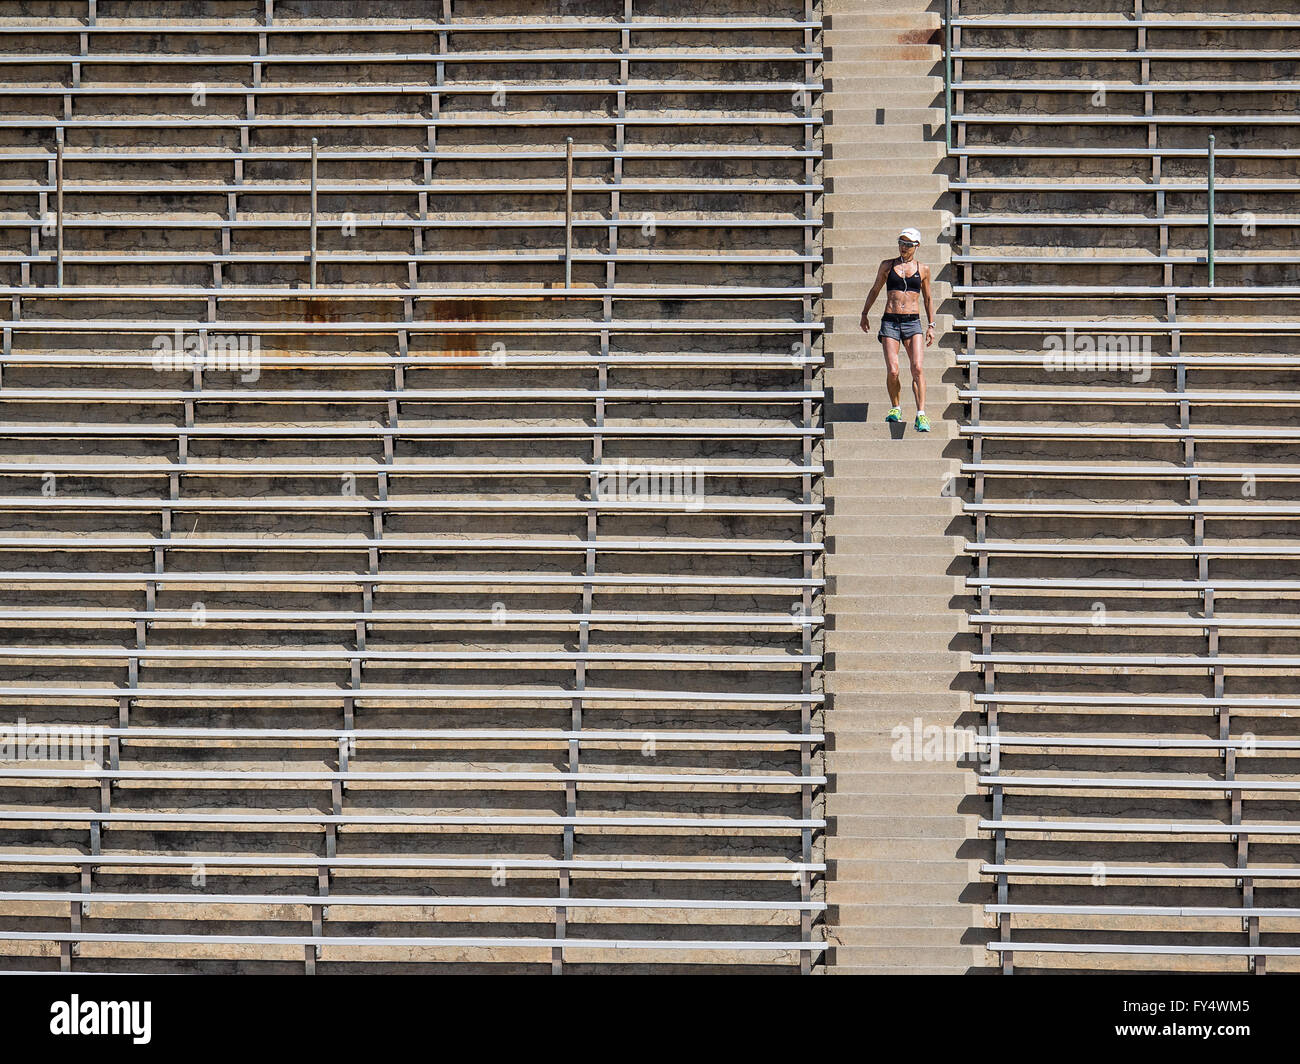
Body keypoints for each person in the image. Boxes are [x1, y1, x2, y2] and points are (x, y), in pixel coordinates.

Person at [858, 226, 936, 432]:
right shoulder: (887, 265)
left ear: (916, 246)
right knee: (893, 370)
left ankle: (921, 414)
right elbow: (875, 288)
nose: (904, 247)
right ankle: (896, 407)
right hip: (890, 321)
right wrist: (865, 313)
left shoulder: (923, 269)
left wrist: (931, 325)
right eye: (901, 243)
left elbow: (928, 298)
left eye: (908, 244)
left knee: (917, 367)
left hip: (912, 322)